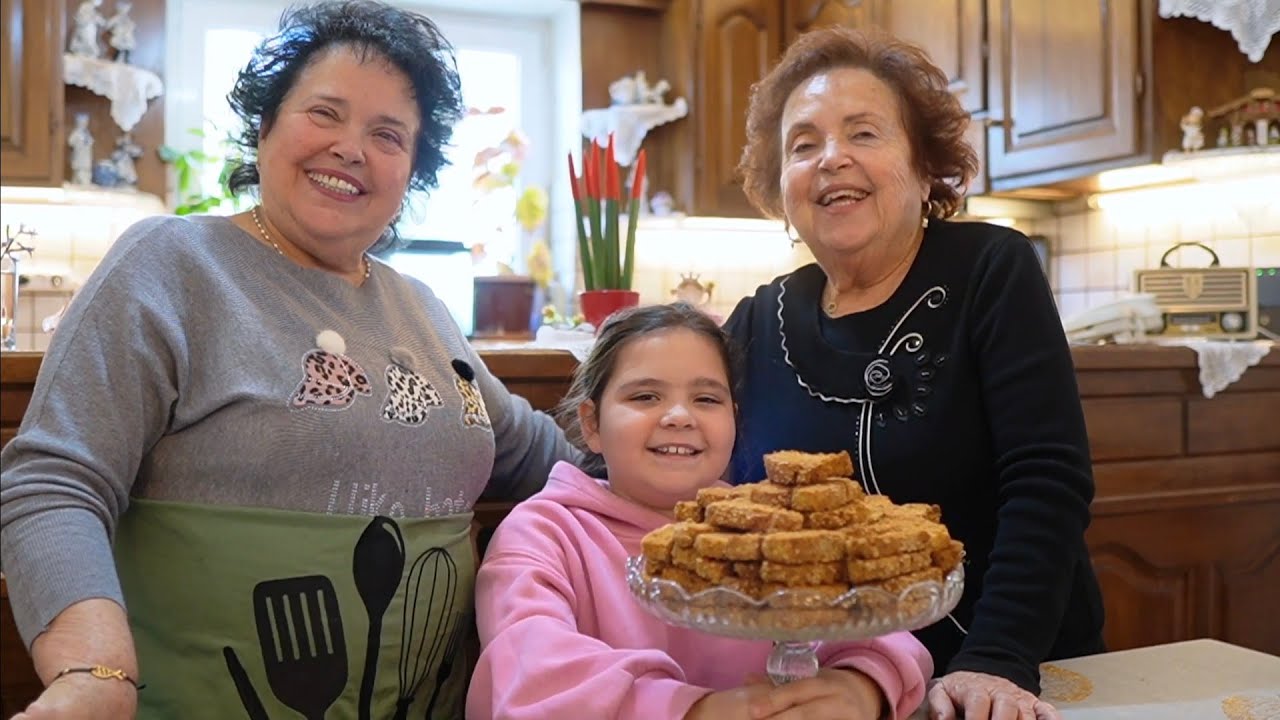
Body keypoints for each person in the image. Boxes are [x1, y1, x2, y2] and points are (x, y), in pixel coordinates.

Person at [0, 2, 577, 718]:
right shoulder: (172, 265)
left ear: (411, 175)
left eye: (387, 134)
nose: (351, 148)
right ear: (265, 125)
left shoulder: (422, 308)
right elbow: (54, 481)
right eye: (324, 113)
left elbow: (541, 455)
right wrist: (94, 672)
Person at [726, 27, 1105, 720]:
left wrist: (996, 661)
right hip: (829, 686)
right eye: (803, 145)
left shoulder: (991, 268)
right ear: (782, 188)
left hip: (996, 673)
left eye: (864, 134)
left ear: (926, 165)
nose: (831, 159)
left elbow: (1047, 481)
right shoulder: (757, 319)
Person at [467, 302, 933, 720]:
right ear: (592, 424)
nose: (679, 416)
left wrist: (860, 683)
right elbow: (528, 671)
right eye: (645, 396)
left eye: (706, 399)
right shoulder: (544, 534)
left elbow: (883, 625)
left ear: (734, 418)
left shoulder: (773, 538)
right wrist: (696, 709)